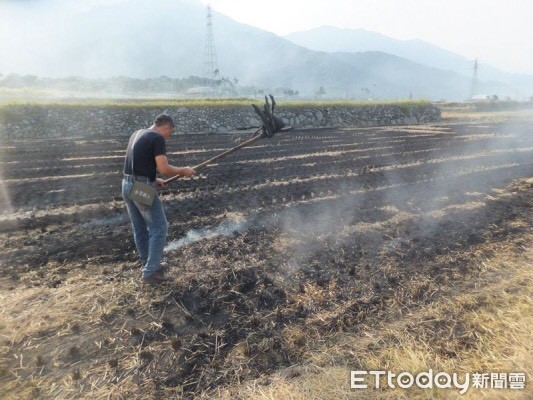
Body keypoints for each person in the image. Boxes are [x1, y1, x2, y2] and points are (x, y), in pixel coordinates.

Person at [122, 114, 195, 284]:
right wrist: (182, 170)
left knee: (139, 227)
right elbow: (163, 168)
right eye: (169, 133)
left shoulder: (137, 133)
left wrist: (153, 179)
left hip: (127, 183)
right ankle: (151, 272)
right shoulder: (157, 138)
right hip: (140, 187)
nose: (168, 137)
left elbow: (138, 162)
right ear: (166, 127)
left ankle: (148, 263)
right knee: (159, 226)